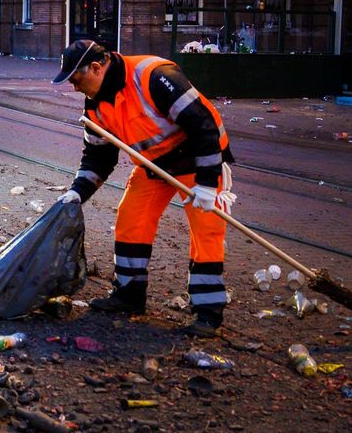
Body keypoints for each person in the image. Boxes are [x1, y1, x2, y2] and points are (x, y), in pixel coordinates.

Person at [53, 39, 234, 338]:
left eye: (76, 79)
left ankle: (208, 312)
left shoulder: (154, 76)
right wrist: (77, 193)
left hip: (196, 160)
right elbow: (99, 157)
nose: (74, 88)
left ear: (96, 68)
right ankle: (129, 294)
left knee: (206, 230)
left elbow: (204, 128)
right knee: (131, 218)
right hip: (155, 165)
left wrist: (205, 184)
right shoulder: (95, 105)